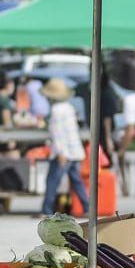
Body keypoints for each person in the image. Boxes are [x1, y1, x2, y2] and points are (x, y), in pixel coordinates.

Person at [42, 77, 90, 215]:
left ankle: (46, 210)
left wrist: (60, 152)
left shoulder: (56, 110)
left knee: (52, 181)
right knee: (77, 182)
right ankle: (87, 207)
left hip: (65, 152)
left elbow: (56, 134)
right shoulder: (69, 108)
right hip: (75, 150)